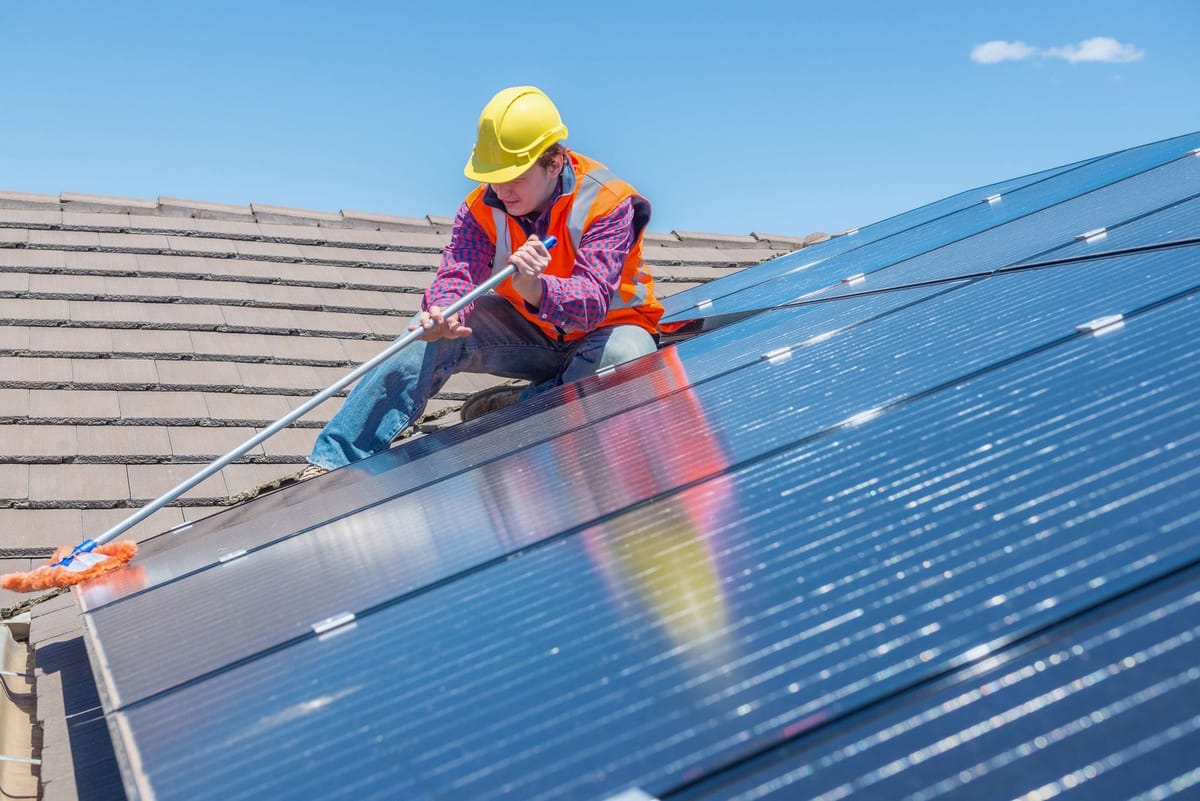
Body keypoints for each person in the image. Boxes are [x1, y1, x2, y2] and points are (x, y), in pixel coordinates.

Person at [302, 85, 664, 476]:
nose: (501, 190)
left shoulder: (609, 202)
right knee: (423, 337)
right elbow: (459, 273)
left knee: (627, 361)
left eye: (515, 176)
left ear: (555, 161)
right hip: (528, 335)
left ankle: (526, 406)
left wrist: (537, 289)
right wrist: (444, 312)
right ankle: (333, 464)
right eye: (493, 176)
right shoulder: (479, 210)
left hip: (606, 334)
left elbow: (591, 304)